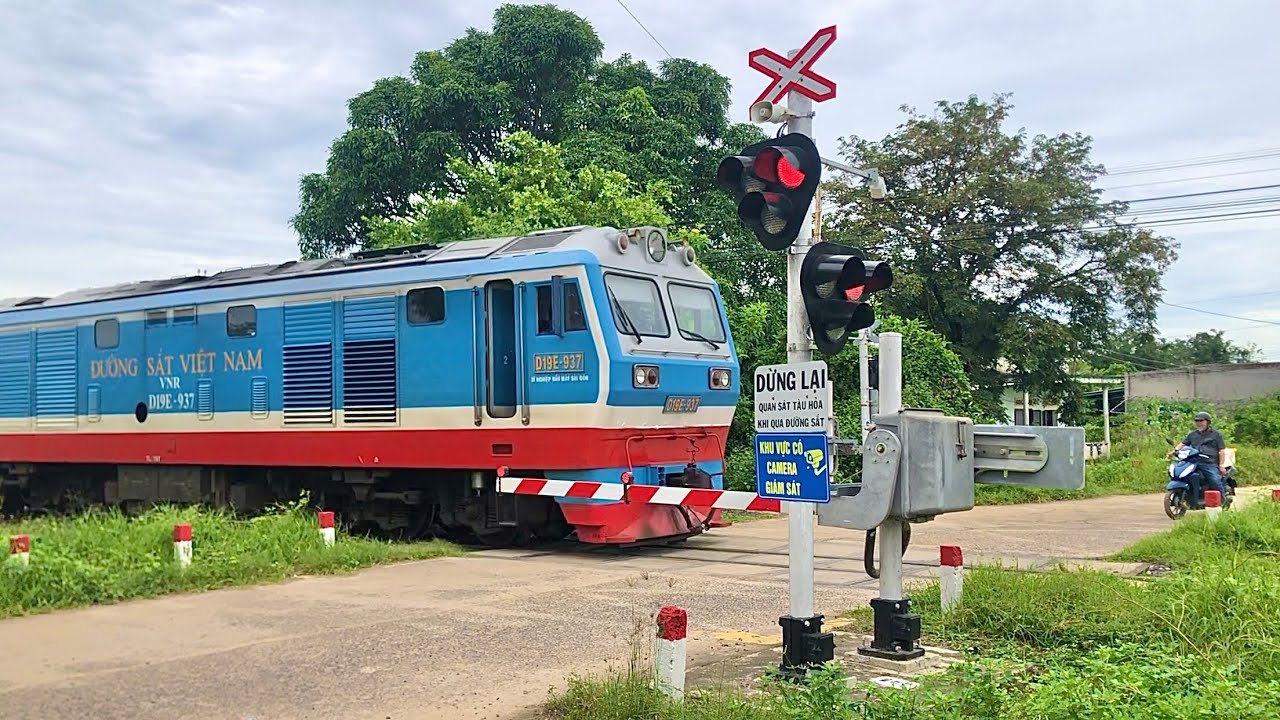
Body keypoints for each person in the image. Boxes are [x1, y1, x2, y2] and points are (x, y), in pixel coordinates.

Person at [1168, 411, 1228, 508]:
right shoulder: (1192, 434)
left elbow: (1221, 450)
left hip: (1208, 462)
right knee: (1178, 473)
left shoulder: (1216, 435)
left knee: (1214, 480)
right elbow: (1183, 444)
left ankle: (1223, 501)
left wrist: (1221, 465)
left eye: (1201, 421)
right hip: (1193, 461)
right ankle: (1184, 496)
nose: (1198, 423)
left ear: (1208, 422)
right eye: (1196, 421)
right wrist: (1174, 451)